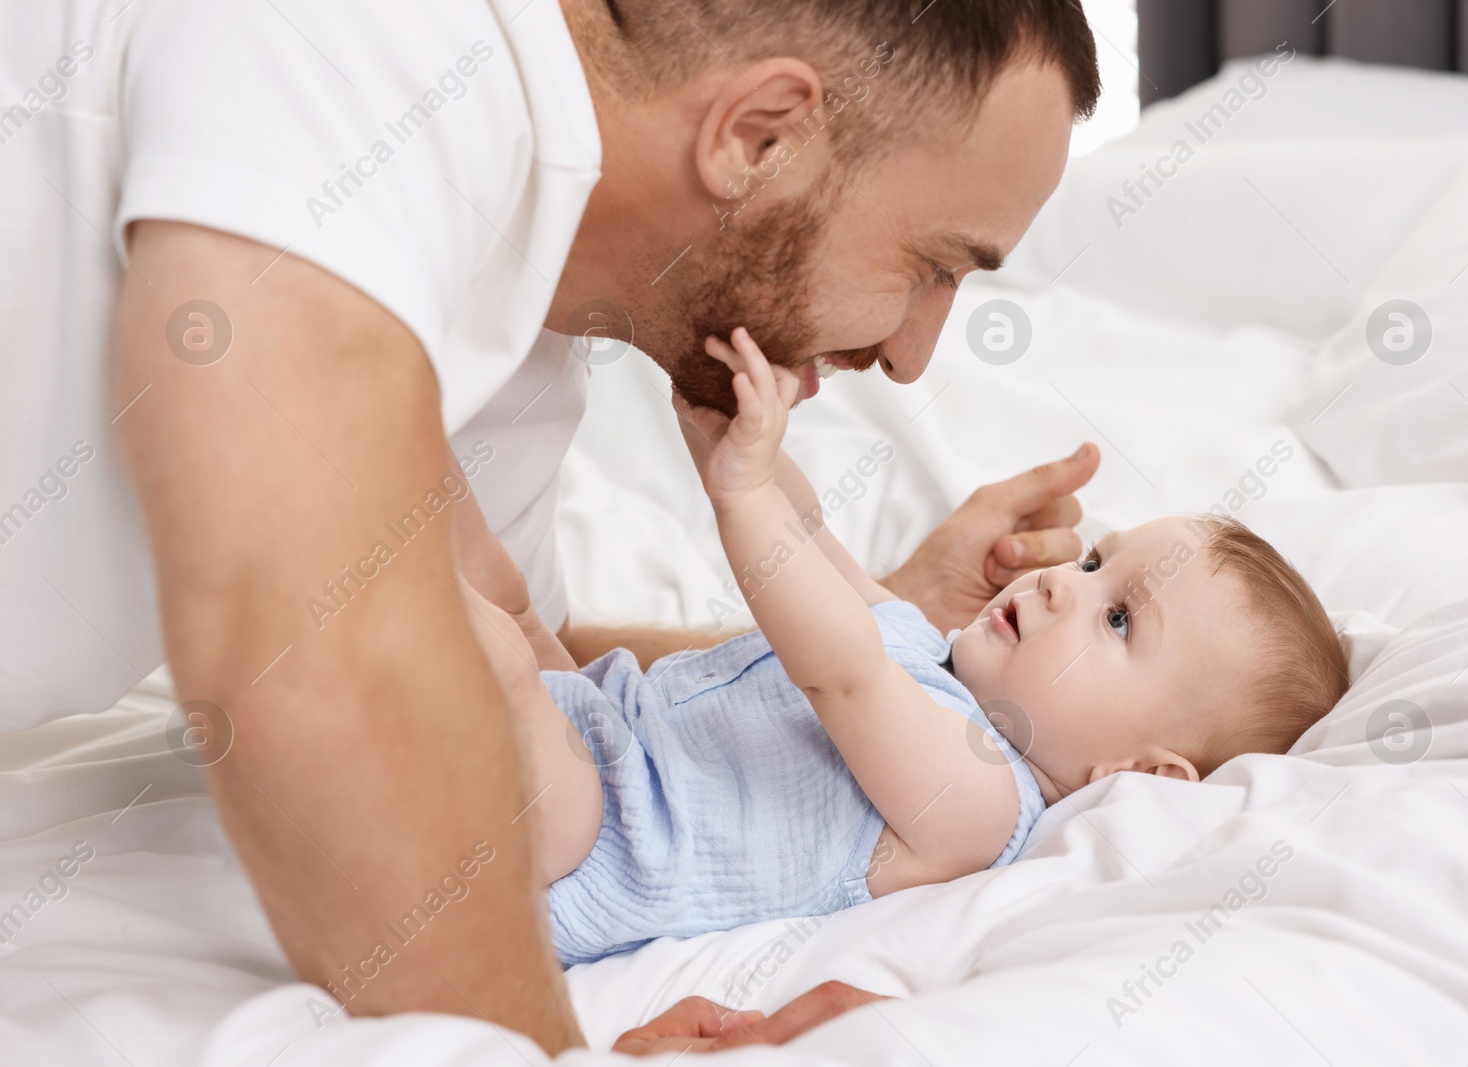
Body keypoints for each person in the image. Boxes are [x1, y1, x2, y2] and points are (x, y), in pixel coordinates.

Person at [0, 0, 1103, 1055]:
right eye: (933, 265)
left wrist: (896, 631)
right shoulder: (372, 52)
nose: (914, 352)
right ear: (759, 135)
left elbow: (534, 680)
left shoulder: (534, 311)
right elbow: (330, 683)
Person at [456, 328, 1352, 965]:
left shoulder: (983, 806)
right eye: (1093, 560)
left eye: (1116, 617)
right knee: (479, 560)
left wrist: (741, 492)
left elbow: (840, 670)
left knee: (484, 644)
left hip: (597, 841)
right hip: (604, 721)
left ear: (1141, 772)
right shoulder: (926, 653)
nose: (1058, 583)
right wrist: (721, 425)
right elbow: (811, 539)